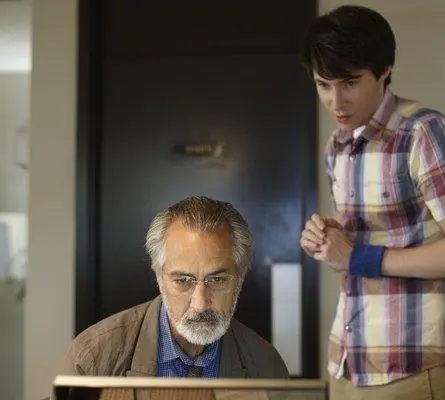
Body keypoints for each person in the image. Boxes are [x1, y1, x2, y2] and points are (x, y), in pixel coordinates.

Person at [300, 5, 445, 400]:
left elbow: (360, 257)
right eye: (323, 84)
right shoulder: (337, 145)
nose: (335, 101)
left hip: (412, 365)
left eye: (350, 82)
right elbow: (363, 244)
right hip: (347, 363)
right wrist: (328, 237)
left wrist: (358, 257)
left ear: (384, 71)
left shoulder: (422, 133)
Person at [59, 196, 289, 379]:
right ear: (159, 277)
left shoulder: (267, 367)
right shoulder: (93, 358)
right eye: (183, 280)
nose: (200, 304)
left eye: (217, 280)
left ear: (240, 278)